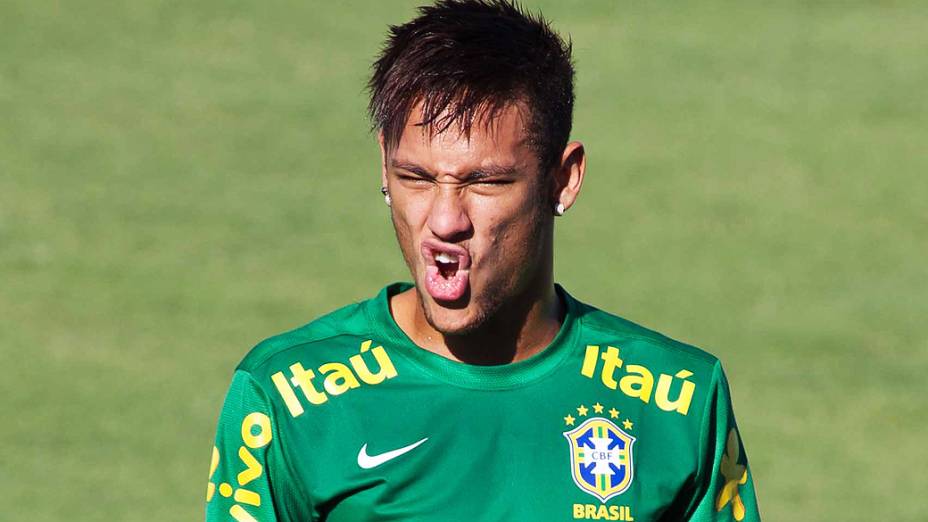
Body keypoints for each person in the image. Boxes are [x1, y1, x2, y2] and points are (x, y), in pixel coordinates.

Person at [204, 1, 761, 520]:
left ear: (561, 180)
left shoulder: (678, 401)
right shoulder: (286, 400)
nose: (445, 222)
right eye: (416, 178)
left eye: (486, 182)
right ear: (382, 166)